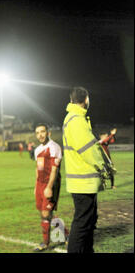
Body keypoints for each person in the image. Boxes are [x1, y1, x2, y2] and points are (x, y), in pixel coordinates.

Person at [62, 87, 106, 253]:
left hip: (82, 181)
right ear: (86, 100)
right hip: (83, 181)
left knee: (88, 221)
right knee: (82, 224)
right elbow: (88, 150)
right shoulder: (76, 120)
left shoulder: (73, 118)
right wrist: (103, 166)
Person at [32, 123, 68, 251]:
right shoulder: (37, 150)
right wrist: (37, 186)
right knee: (44, 214)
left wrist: (49, 187)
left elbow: (55, 170)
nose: (40, 135)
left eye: (42, 131)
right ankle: (66, 234)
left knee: (46, 212)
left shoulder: (54, 147)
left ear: (48, 133)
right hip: (40, 184)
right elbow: (38, 168)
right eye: (37, 133)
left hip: (51, 184)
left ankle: (45, 243)